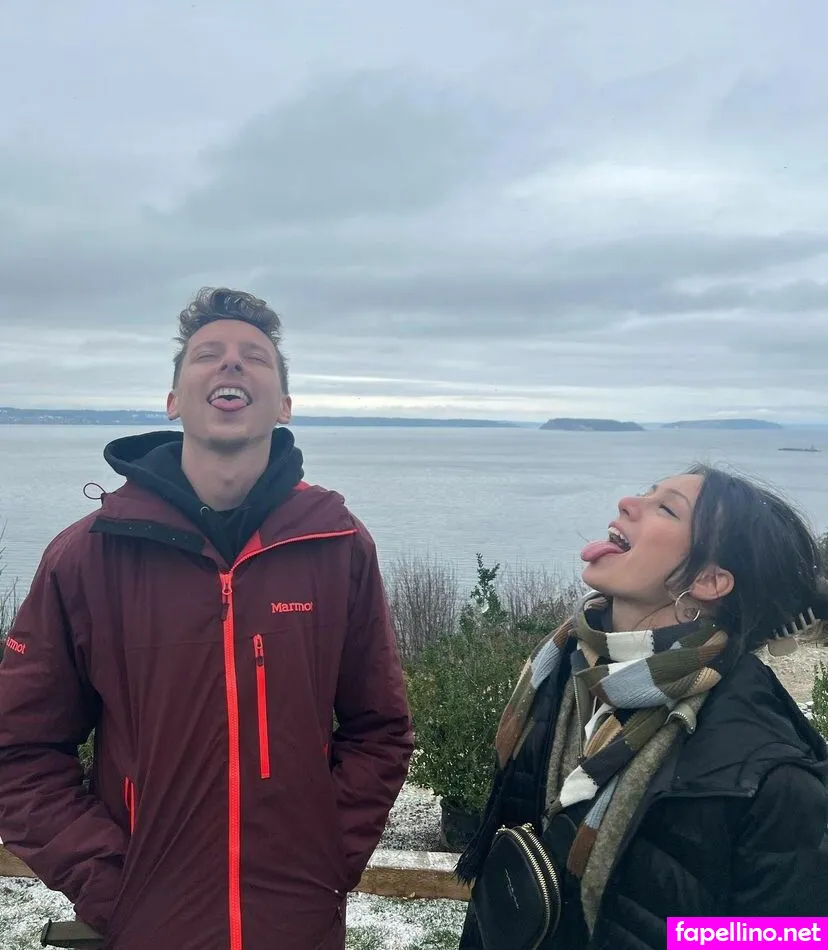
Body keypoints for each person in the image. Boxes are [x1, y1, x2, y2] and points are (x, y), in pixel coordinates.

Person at [0, 288, 413, 950]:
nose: (231, 363)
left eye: (255, 356)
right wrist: (110, 883)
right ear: (173, 401)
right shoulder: (88, 557)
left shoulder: (337, 547)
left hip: (298, 925)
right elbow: (18, 748)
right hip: (149, 923)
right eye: (207, 354)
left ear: (283, 405)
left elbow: (380, 730)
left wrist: (327, 857)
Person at [456, 466, 828, 950]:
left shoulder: (769, 773)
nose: (627, 503)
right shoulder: (561, 671)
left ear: (709, 580)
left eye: (666, 508)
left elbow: (787, 937)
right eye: (646, 493)